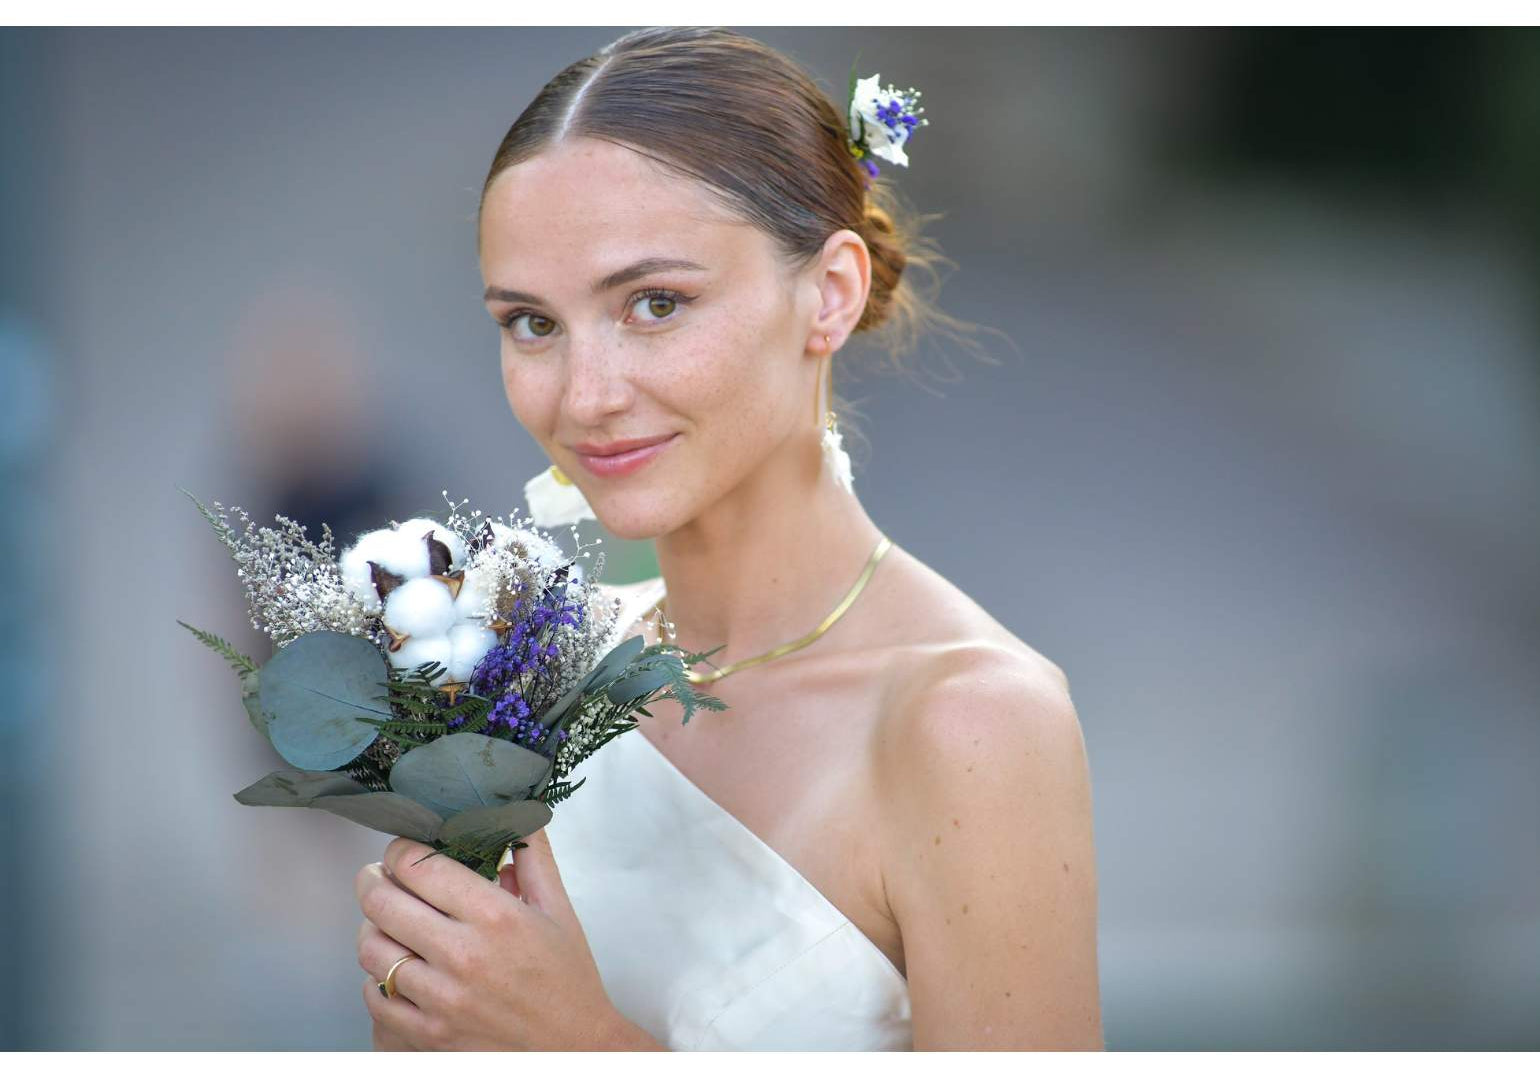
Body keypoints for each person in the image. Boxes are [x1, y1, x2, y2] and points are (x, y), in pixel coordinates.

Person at [353, 26, 1102, 1051]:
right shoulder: (537, 678)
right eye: (532, 322)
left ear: (829, 294)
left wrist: (580, 1044)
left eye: (655, 304)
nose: (584, 396)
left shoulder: (970, 723)